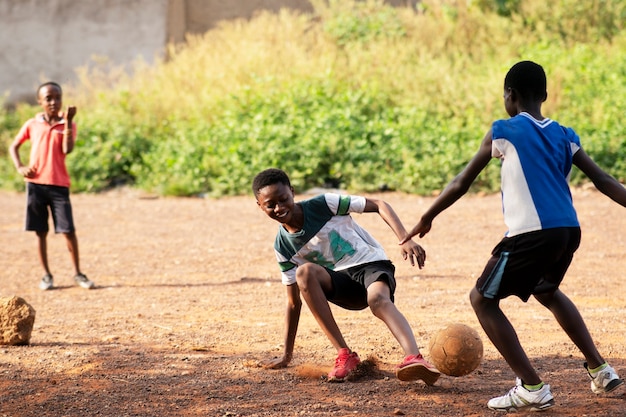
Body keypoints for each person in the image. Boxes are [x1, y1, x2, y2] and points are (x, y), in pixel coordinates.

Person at [400, 60, 624, 411]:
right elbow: (605, 181)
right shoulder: (565, 134)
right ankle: (600, 369)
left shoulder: (504, 130)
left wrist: (427, 217)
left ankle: (532, 386)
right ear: (545, 95)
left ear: (510, 95)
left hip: (530, 233)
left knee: (482, 300)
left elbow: (462, 181)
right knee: (546, 290)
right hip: (568, 230)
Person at [252, 168, 440, 384]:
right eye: (270, 205)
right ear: (260, 206)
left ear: (292, 192)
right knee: (305, 272)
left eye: (284, 199)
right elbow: (293, 303)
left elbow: (379, 204)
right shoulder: (283, 247)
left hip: (370, 264)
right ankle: (345, 355)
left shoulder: (324, 204)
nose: (279, 207)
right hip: (342, 284)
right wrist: (287, 354)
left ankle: (414, 358)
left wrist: (404, 239)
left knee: (377, 300)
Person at [9, 81, 94, 291]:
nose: (54, 102)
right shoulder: (32, 124)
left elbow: (67, 149)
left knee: (68, 231)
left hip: (58, 185)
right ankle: (46, 275)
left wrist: (68, 122)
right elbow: (14, 146)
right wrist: (20, 166)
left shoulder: (67, 124)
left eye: (57, 97)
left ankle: (78, 273)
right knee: (41, 232)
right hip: (36, 184)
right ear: (40, 102)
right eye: (48, 98)